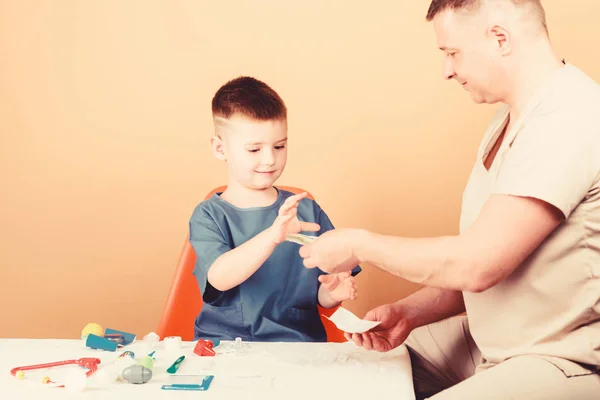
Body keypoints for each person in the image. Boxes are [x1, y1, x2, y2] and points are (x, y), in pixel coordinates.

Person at [299, 0, 600, 398]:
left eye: (452, 52)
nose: (447, 70)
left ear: (500, 38)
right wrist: (409, 313)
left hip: (560, 359)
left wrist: (361, 245)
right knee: (354, 376)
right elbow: (496, 261)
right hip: (489, 343)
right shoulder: (508, 120)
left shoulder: (569, 118)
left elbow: (477, 265)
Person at [188, 76, 360, 342]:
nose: (270, 159)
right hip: (226, 347)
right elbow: (219, 278)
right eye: (254, 149)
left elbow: (318, 296)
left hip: (296, 346)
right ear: (221, 148)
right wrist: (273, 235)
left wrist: (332, 294)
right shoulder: (209, 215)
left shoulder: (306, 212)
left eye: (279, 146)